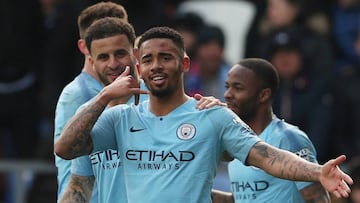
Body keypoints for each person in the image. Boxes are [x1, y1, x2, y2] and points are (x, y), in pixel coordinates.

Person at [54, 26, 353, 203]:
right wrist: (104, 95)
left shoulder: (211, 115)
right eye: (148, 60)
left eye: (166, 57)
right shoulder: (120, 119)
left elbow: (266, 155)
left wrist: (317, 172)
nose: (156, 65)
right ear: (139, 68)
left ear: (184, 65)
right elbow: (65, 148)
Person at [223, 58, 330, 202]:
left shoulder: (290, 138)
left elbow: (317, 198)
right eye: (227, 86)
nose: (227, 94)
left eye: (238, 88)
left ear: (263, 95)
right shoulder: (234, 140)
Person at [53, 2, 129, 201]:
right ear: (86, 47)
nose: (113, 61)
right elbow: (73, 163)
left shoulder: (143, 91)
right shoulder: (78, 95)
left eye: (120, 50)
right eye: (101, 34)